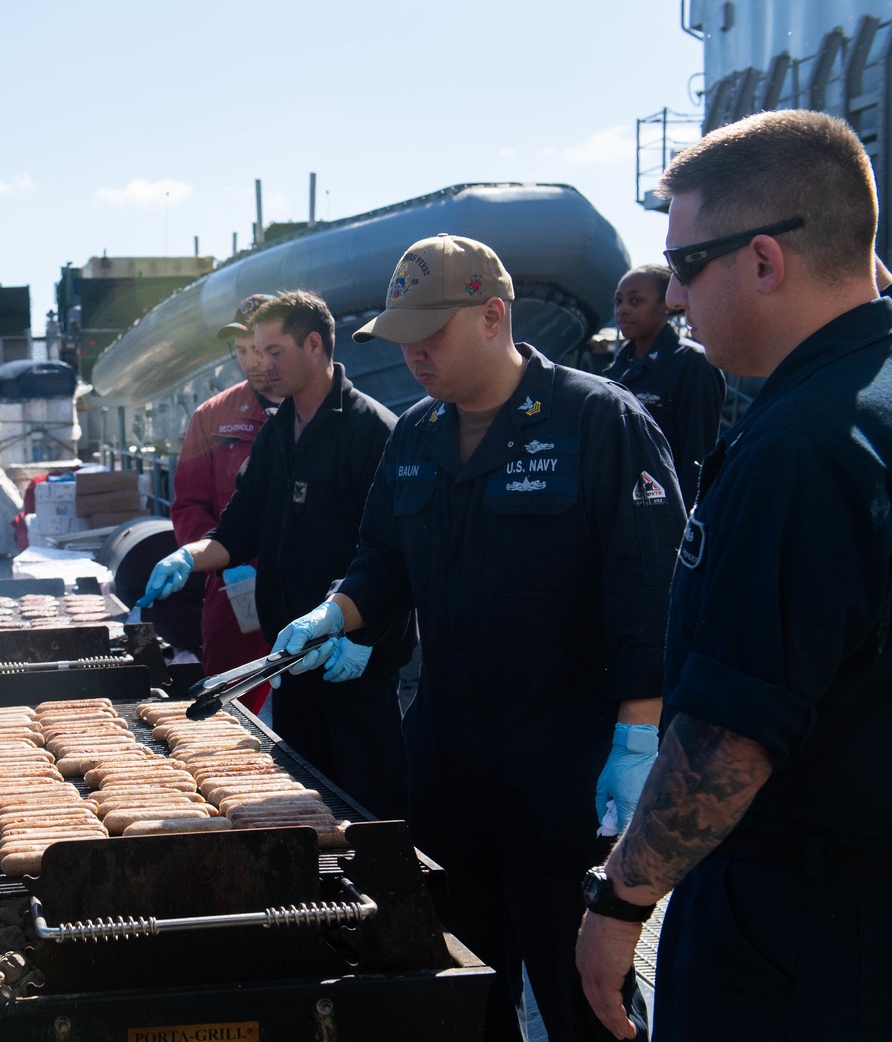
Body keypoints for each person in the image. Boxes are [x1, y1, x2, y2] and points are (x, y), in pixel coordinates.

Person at [269, 235, 687, 1040]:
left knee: (584, 998)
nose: (414, 354)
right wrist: (338, 611)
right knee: (462, 991)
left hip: (565, 778)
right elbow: (382, 563)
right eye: (403, 337)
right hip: (449, 767)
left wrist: (641, 738)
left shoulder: (600, 423)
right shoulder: (416, 437)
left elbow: (651, 599)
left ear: (494, 316)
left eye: (432, 333)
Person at [575, 109, 892, 1042]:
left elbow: (729, 746)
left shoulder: (803, 446)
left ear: (764, 260)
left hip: (805, 936)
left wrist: (620, 901)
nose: (674, 299)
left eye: (684, 266)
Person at [143, 290, 411, 820]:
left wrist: (363, 641)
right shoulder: (277, 435)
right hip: (290, 652)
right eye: (254, 353)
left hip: (351, 664)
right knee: (302, 804)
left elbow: (398, 558)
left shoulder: (373, 432)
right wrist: (190, 558)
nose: (261, 366)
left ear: (315, 344)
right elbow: (240, 527)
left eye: (273, 351)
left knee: (369, 805)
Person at [170, 293, 281, 713]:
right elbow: (188, 505)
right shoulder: (211, 417)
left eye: (260, 348)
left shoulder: (315, 412)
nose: (251, 360)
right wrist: (224, 561)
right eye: (241, 351)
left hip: (309, 595)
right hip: (235, 600)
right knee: (231, 717)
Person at [605, 264, 726, 509]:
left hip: (667, 509)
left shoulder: (691, 364)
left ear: (665, 305)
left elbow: (698, 452)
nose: (623, 310)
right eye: (618, 301)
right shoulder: (615, 371)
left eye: (636, 301)